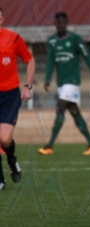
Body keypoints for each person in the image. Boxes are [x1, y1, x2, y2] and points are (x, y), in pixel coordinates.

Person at [38, 12, 90, 156]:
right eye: (58, 23)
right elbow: (50, 61)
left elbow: (87, 56)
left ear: (66, 24)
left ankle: (49, 145)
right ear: (55, 24)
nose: (60, 25)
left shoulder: (75, 39)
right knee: (74, 111)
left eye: (63, 23)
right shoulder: (52, 41)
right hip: (61, 83)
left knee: (60, 106)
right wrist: (47, 79)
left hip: (72, 81)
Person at [0, 6, 35, 190]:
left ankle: (12, 160)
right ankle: (0, 179)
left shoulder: (12, 38)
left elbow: (30, 60)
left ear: (1, 19)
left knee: (4, 139)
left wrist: (28, 86)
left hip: (9, 95)